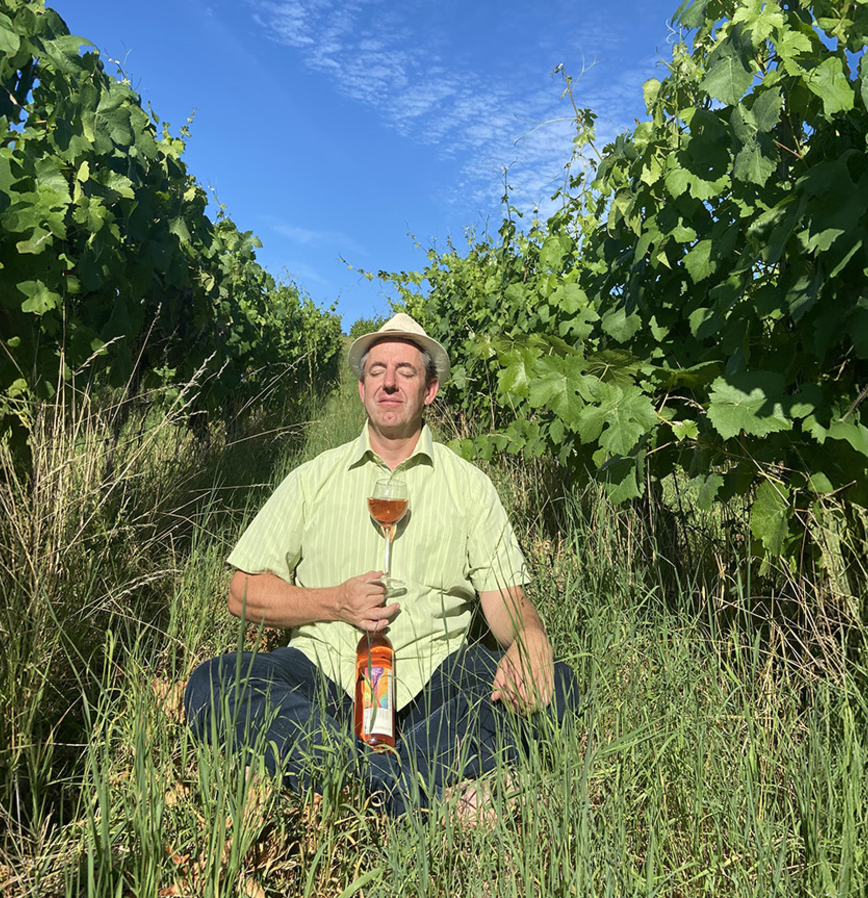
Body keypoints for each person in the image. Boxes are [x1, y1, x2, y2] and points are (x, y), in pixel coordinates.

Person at [183, 314, 578, 820]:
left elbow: (507, 603)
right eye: (377, 371)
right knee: (215, 683)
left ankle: (349, 786)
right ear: (363, 388)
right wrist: (333, 603)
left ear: (430, 389)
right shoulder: (313, 479)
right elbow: (241, 591)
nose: (389, 381)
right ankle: (416, 788)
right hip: (323, 676)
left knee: (556, 684)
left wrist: (532, 638)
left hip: (434, 688)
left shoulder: (469, 487)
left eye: (406, 372)